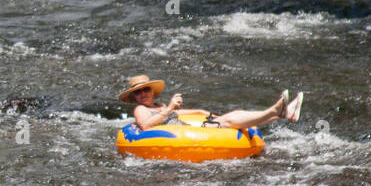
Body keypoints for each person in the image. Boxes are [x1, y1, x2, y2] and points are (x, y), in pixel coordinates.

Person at [120, 74, 303, 131]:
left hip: (188, 129)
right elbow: (145, 125)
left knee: (229, 117)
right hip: (184, 137)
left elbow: (191, 112)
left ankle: (281, 114)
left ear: (152, 91)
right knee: (228, 122)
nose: (143, 94)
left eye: (146, 89)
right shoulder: (140, 109)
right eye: (139, 92)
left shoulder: (159, 107)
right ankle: (277, 111)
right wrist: (168, 108)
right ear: (135, 96)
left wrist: (209, 115)